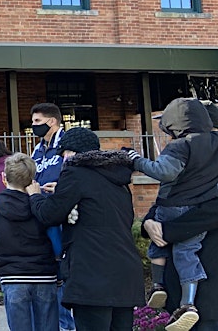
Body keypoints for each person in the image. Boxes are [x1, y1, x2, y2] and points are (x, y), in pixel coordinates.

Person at [26, 127, 144, 330]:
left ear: (73, 153)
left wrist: (35, 195)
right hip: (125, 274)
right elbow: (99, 206)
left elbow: (49, 214)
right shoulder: (118, 179)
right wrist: (63, 192)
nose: (63, 159)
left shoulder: (75, 173)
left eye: (64, 154)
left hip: (92, 274)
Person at [125, 97, 218, 331]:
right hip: (177, 280)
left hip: (216, 280)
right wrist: (149, 222)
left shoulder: (212, 154)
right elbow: (167, 195)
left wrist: (169, 231)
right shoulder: (192, 156)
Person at [0, 152, 62, 331]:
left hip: (12, 276)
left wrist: (0, 252)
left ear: (4, 178)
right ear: (33, 179)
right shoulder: (43, 207)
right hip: (44, 275)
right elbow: (57, 245)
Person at [143, 186, 218, 331]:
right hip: (180, 287)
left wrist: (167, 230)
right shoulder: (190, 165)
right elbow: (169, 199)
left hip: (214, 287)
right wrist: (149, 221)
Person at [29, 102, 73, 331]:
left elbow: (78, 178)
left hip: (64, 217)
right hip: (41, 214)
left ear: (52, 121)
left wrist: (62, 189)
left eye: (37, 121)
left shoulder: (66, 145)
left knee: (62, 273)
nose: (33, 125)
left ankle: (66, 325)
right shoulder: (37, 149)